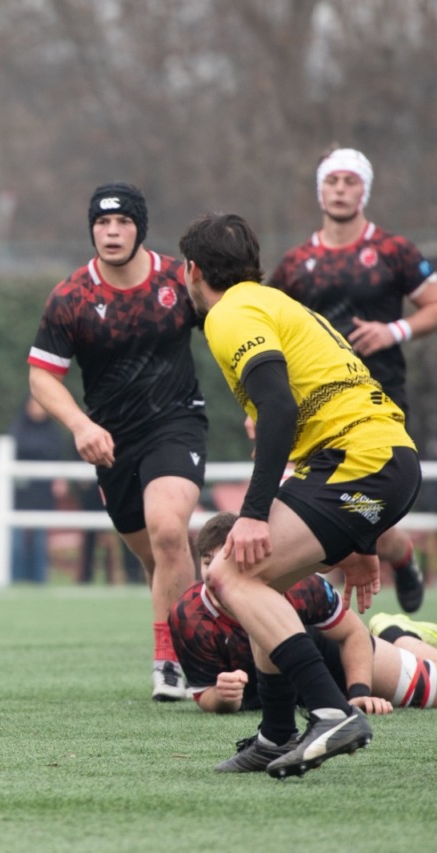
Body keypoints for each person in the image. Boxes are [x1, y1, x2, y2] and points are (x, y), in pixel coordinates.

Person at [179, 211, 421, 778]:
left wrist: (254, 513)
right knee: (262, 581)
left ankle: (332, 712)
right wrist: (356, 538)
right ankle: (276, 734)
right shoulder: (275, 305)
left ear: (192, 271)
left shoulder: (231, 312)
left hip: (359, 462)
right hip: (375, 460)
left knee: (231, 575)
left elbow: (280, 409)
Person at [27, 182, 205, 701]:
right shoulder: (71, 297)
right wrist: (81, 426)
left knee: (170, 531)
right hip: (110, 443)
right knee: (156, 559)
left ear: (139, 228)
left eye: (122, 222)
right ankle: (214, 635)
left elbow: (231, 333)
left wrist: (256, 403)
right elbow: (41, 376)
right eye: (102, 224)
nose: (111, 232)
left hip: (177, 424)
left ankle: (171, 661)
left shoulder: (179, 278)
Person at [268, 147, 437, 613]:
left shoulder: (391, 250)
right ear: (319, 189)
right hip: (316, 405)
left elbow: (434, 303)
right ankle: (383, 568)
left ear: (365, 190)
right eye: (333, 181)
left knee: (366, 508)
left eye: (351, 181)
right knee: (326, 512)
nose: (341, 190)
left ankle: (394, 555)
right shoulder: (297, 262)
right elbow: (269, 330)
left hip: (379, 398)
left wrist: (393, 330)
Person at [171, 513, 437, 742]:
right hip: (297, 695)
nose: (213, 574)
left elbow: (353, 634)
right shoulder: (189, 615)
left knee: (431, 689)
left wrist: (359, 693)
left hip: (335, 661)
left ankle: (397, 633)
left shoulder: (300, 584)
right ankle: (397, 636)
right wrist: (223, 697)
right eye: (207, 562)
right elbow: (204, 694)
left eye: (222, 562)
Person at [9, 395, 68, 583]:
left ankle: (38, 579)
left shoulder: (53, 433)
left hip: (43, 493)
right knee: (16, 538)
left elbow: (56, 457)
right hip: (20, 493)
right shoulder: (17, 430)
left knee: (39, 538)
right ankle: (15, 578)